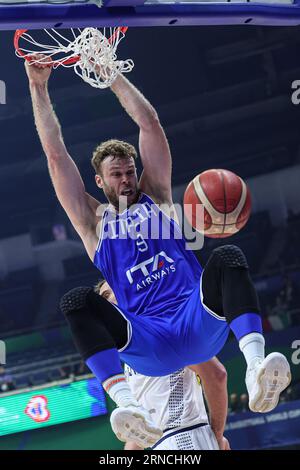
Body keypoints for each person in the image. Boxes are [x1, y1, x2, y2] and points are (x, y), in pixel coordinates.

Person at [25, 56, 291, 449]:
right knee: (77, 301)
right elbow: (55, 154)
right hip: (149, 339)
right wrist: (38, 87)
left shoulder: (158, 199)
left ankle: (255, 369)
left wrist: (112, 76)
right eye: (117, 174)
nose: (127, 178)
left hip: (194, 319)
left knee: (227, 257)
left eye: (131, 170)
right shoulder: (93, 223)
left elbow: (149, 122)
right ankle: (129, 407)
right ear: (100, 181)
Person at [97, 280, 229, 451]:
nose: (109, 299)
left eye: (112, 291)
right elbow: (140, 431)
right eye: (104, 297)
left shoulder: (165, 328)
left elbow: (216, 375)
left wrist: (217, 435)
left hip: (186, 436)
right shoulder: (130, 358)